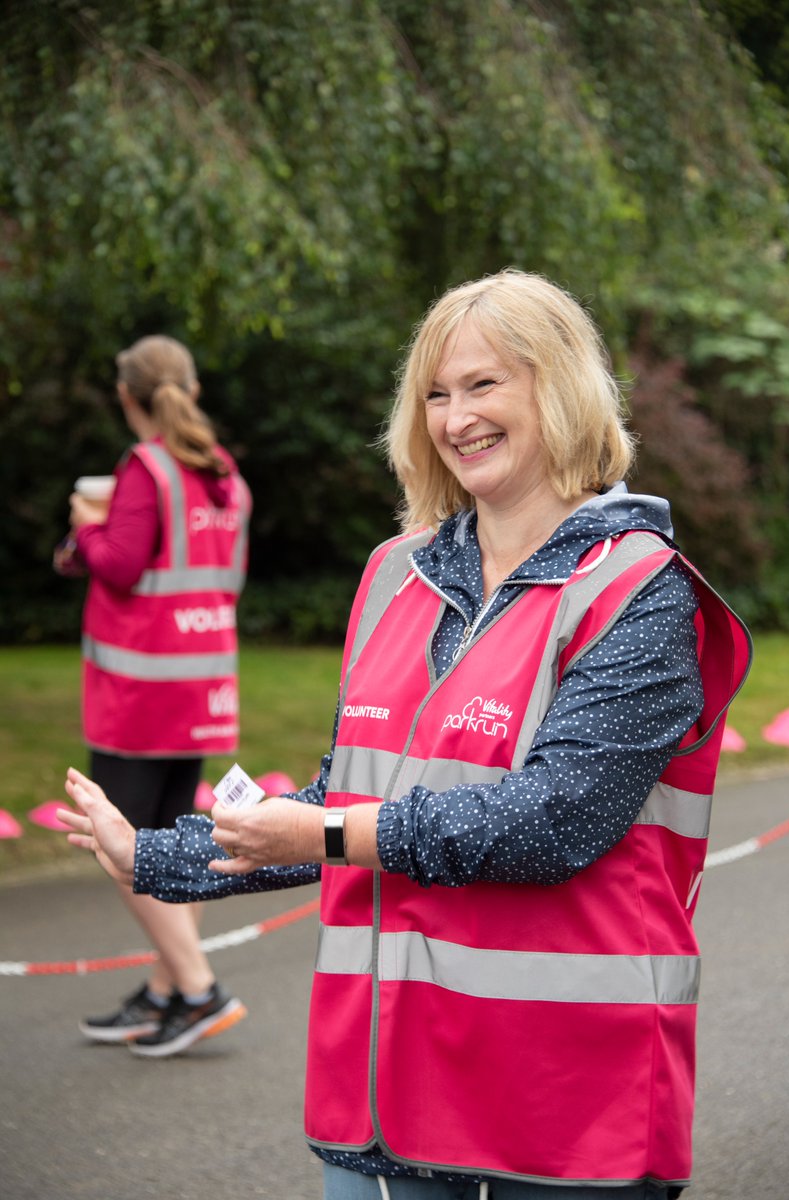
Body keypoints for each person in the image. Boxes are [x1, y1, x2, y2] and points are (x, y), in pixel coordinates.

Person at [59, 272, 751, 1195]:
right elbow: (335, 799)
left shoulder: (638, 590)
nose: (456, 418)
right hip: (383, 1104)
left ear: (561, 387)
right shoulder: (395, 575)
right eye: (434, 393)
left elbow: (554, 821)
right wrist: (151, 855)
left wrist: (327, 832)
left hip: (568, 1109)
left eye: (483, 384)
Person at [59, 334, 251, 1058]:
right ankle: (167, 992)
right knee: (172, 840)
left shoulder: (147, 467)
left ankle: (199, 988)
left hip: (141, 688)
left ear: (125, 397)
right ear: (191, 390)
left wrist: (86, 531)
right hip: (202, 683)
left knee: (125, 845)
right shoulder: (223, 473)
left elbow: (120, 563)